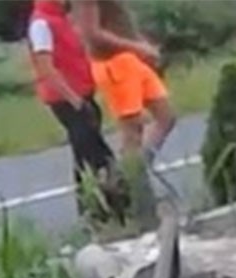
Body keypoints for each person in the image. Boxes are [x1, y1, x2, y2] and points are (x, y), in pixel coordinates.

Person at [26, 0, 116, 209]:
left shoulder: (59, 19)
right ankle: (111, 202)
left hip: (80, 94)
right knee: (97, 155)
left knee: (84, 155)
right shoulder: (42, 24)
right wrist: (75, 100)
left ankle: (92, 209)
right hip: (67, 100)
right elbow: (46, 69)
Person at [71, 0, 177, 167]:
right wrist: (137, 47)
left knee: (166, 116)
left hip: (130, 59)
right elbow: (92, 34)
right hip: (113, 64)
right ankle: (130, 180)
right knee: (132, 130)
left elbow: (120, 22)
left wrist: (143, 46)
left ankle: (139, 167)